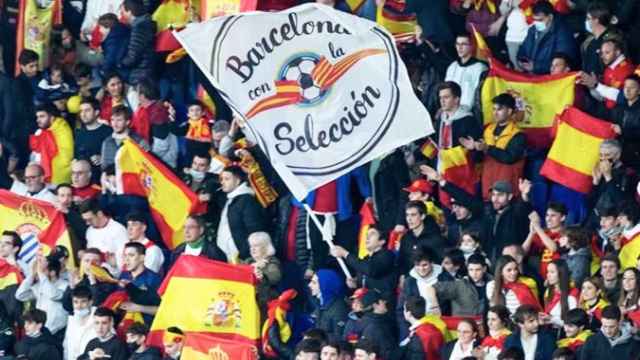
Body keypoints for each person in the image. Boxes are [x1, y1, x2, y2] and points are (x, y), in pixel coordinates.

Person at [465, 93, 527, 201]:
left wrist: (487, 148)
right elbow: (481, 158)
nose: (495, 113)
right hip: (488, 184)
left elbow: (509, 157)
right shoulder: (488, 130)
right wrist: (474, 148)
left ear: (509, 111)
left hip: (508, 188)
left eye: (499, 109)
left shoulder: (518, 135)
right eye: (494, 109)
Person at [216, 165, 268, 263]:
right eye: (222, 179)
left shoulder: (247, 200)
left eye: (227, 179)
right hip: (226, 257)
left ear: (237, 180)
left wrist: (245, 253)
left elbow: (255, 230)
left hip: (240, 258)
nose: (222, 182)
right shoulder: (229, 199)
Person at [15, 254, 69, 338]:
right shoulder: (40, 285)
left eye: (42, 270)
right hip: (41, 331)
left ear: (53, 272)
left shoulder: (65, 285)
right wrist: (32, 275)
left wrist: (40, 274)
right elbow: (20, 295)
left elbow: (53, 294)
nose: (39, 273)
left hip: (58, 333)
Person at [330, 226, 397, 294]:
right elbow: (366, 280)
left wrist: (345, 254)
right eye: (367, 234)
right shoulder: (366, 258)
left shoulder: (387, 255)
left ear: (382, 241)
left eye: (372, 234)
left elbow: (371, 270)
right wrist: (356, 283)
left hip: (381, 301)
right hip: (365, 299)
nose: (367, 237)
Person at [517, 1, 577, 75]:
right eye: (534, 19)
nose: (536, 23)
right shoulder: (532, 30)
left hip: (549, 79)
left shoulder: (563, 32)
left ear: (550, 17)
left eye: (540, 20)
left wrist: (535, 66)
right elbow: (523, 49)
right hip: (531, 76)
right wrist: (521, 61)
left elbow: (562, 63)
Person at [578, 39, 635, 111]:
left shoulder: (626, 69)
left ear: (617, 52)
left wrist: (596, 85)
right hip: (610, 112)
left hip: (623, 111)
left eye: (607, 52)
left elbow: (620, 97)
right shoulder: (608, 69)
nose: (602, 56)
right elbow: (604, 97)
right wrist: (592, 87)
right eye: (602, 53)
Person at [80, 198, 128, 276]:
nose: (87, 223)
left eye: (90, 219)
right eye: (85, 220)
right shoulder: (89, 231)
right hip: (93, 274)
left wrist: (114, 264)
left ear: (99, 214)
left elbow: (125, 260)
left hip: (113, 276)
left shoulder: (118, 230)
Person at [29, 103, 74, 185]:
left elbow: (66, 156)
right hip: (46, 177)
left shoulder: (62, 128)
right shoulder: (43, 131)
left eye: (42, 116)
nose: (38, 120)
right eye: (37, 117)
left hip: (58, 179)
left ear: (52, 117)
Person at [397, 200, 446, 274]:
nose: (409, 219)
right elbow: (402, 261)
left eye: (413, 215)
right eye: (407, 215)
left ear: (422, 216)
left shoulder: (436, 239)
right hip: (410, 281)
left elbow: (442, 263)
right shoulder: (405, 238)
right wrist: (402, 275)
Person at [522, 202, 567, 279]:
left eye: (553, 216)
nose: (548, 219)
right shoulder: (543, 233)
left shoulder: (566, 233)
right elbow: (522, 252)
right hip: (542, 277)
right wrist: (531, 233)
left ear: (563, 217)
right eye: (547, 215)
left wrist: (537, 227)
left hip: (559, 277)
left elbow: (553, 248)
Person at [433, 81, 482, 150]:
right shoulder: (441, 119)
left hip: (459, 160)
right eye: (440, 97)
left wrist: (473, 148)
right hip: (441, 160)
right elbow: (436, 146)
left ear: (456, 99)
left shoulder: (469, 120)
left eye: (446, 97)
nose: (442, 101)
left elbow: (478, 151)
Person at [444, 34, 488, 110]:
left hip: (468, 112)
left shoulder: (480, 68)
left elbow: (477, 94)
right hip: (450, 110)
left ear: (472, 46)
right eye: (457, 44)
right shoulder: (452, 66)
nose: (459, 47)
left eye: (463, 44)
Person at [73, 97, 113, 180]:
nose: (83, 114)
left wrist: (103, 158)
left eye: (87, 110)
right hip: (84, 182)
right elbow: (76, 156)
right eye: (81, 111)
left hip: (103, 180)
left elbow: (118, 156)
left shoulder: (108, 131)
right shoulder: (78, 133)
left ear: (96, 112)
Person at [101, 105, 150, 171]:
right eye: (112, 120)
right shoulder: (106, 142)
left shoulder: (139, 141)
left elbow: (147, 167)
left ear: (127, 122)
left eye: (119, 120)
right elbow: (104, 168)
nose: (115, 124)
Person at [243, 231, 282, 314]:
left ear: (266, 247)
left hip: (266, 303)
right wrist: (254, 266)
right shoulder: (247, 261)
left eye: (256, 246)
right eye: (251, 246)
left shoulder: (272, 261)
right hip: (247, 302)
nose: (252, 249)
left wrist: (262, 276)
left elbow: (275, 277)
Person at [119, 0, 156, 87]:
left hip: (141, 73)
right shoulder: (143, 24)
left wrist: (120, 63)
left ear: (129, 12)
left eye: (123, 12)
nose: (122, 15)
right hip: (144, 71)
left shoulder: (140, 27)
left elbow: (133, 56)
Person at [396, 296, 444, 360]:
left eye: (404, 309)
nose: (403, 312)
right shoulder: (434, 326)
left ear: (409, 313)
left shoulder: (417, 338)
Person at [309, 269, 349, 341]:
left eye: (314, 282)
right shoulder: (320, 302)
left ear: (325, 285)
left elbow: (338, 338)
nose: (309, 285)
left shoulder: (339, 309)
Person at [612, 74, 640, 170]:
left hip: (634, 157)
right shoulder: (618, 108)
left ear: (639, 91)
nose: (627, 90)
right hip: (617, 153)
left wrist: (623, 131)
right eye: (625, 87)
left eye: (631, 87)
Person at [357, 290, 395, 359]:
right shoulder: (375, 327)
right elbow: (388, 354)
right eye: (382, 300)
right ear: (375, 305)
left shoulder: (366, 321)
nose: (385, 302)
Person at [541, 260, 578, 329]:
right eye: (547, 272)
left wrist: (552, 319)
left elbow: (573, 325)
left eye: (552, 272)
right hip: (549, 330)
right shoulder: (548, 291)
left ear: (561, 273)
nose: (548, 275)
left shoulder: (572, 294)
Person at [64, 286, 98, 360]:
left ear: (90, 302)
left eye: (83, 301)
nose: (79, 306)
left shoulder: (100, 320)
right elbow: (66, 347)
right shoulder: (71, 320)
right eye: (75, 302)